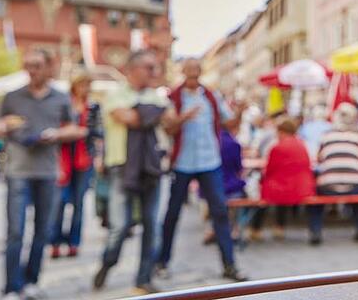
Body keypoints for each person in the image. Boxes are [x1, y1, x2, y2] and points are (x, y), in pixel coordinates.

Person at [0, 50, 84, 300]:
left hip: (47, 170)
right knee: (15, 231)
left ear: (48, 67)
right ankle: (12, 286)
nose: (32, 70)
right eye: (28, 65)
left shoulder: (61, 97)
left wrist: (56, 134)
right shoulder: (12, 97)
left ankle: (31, 280)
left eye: (36, 65)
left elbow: (76, 129)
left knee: (43, 229)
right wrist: (3, 127)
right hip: (18, 170)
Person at [157, 58, 248, 282]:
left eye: (196, 75)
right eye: (189, 75)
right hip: (183, 163)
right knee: (172, 213)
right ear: (183, 74)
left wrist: (241, 112)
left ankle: (229, 265)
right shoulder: (173, 98)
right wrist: (183, 118)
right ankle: (162, 262)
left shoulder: (211, 96)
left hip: (210, 161)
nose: (193, 79)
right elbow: (168, 128)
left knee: (220, 212)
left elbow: (230, 124)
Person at [92, 50, 170, 295]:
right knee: (120, 226)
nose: (153, 72)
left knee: (152, 225)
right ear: (133, 69)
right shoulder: (115, 95)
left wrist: (146, 112)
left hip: (151, 167)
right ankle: (108, 262)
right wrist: (154, 112)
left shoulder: (155, 96)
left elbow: (169, 121)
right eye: (149, 67)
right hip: (121, 166)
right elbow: (130, 118)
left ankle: (143, 279)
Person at [50, 71, 102, 259]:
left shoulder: (93, 106)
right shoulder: (64, 103)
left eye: (88, 85)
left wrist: (97, 155)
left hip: (83, 158)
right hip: (63, 157)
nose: (85, 89)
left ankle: (74, 242)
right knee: (60, 203)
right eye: (82, 84)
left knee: (79, 203)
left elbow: (97, 132)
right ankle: (55, 241)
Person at [309, 103, 358, 245]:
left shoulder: (326, 136)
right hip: (355, 184)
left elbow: (319, 158)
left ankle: (315, 230)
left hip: (328, 184)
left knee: (315, 197)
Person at [250, 118, 314, 240]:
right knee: (280, 190)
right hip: (301, 187)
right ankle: (279, 227)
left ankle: (255, 229)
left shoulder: (277, 147)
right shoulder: (302, 145)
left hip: (284, 187)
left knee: (265, 195)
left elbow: (269, 170)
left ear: (282, 132)